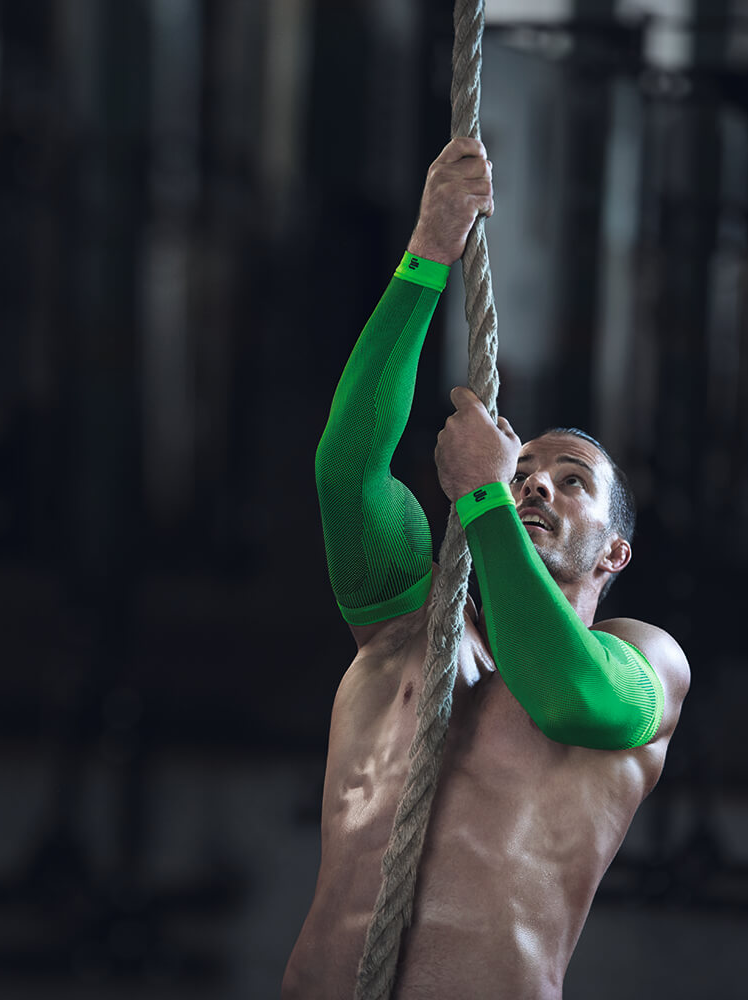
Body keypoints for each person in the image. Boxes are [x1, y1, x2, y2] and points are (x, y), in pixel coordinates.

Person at [282, 137, 691, 1000]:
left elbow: (565, 693)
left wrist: (487, 501)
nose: (535, 478)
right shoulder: (401, 625)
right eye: (526, 466)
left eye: (570, 481)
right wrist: (430, 249)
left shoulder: (644, 662)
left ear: (616, 552)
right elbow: (346, 469)